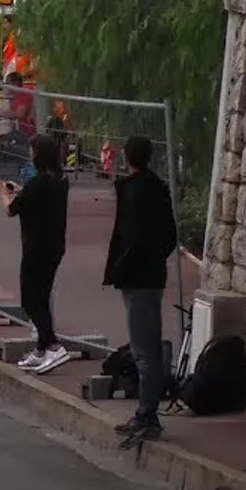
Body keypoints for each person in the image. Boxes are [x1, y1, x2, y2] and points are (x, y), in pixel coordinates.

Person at [105, 135, 177, 443]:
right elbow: (169, 236)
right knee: (147, 344)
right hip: (152, 276)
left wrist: (122, 267)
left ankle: (148, 415)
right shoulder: (159, 190)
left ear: (127, 158)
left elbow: (130, 236)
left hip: (137, 277)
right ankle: (146, 412)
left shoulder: (133, 193)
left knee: (143, 350)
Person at [1, 134, 72, 374]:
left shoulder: (38, 183)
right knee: (41, 295)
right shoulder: (60, 181)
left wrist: (4, 194)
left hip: (35, 247)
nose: (29, 155)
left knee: (31, 299)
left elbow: (12, 210)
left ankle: (53, 344)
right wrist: (21, 191)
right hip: (54, 246)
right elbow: (37, 200)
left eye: (32, 151)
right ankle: (41, 348)